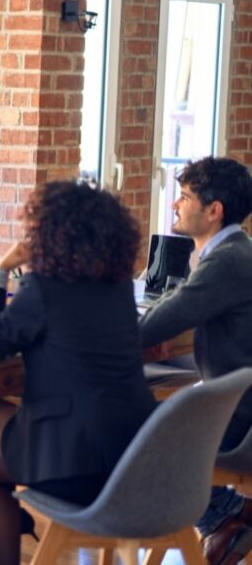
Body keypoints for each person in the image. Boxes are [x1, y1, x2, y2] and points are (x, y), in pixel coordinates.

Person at [0, 181, 157, 565]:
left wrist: (0, 270)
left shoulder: (41, 289)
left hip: (75, 470)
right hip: (136, 458)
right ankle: (16, 502)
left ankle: (10, 531)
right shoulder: (119, 287)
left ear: (50, 234)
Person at [140, 156, 252, 565]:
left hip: (239, 420)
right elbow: (178, 305)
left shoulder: (226, 262)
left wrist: (111, 334)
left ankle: (223, 513)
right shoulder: (235, 252)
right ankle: (226, 512)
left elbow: (156, 325)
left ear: (214, 210)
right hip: (237, 404)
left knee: (139, 436)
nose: (175, 204)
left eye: (184, 197)